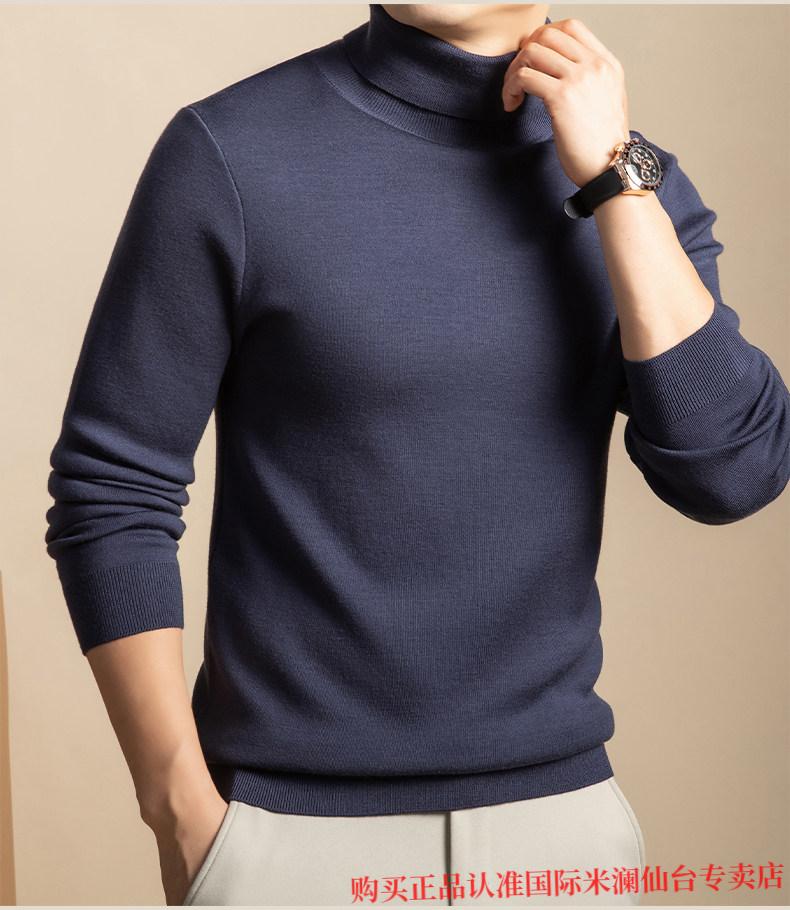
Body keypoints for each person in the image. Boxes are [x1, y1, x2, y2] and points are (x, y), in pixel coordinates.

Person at [44, 3, 789, 906]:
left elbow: (730, 472)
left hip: (558, 836)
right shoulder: (233, 152)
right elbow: (111, 490)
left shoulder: (629, 177)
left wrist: (616, 181)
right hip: (287, 839)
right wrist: (181, 810)